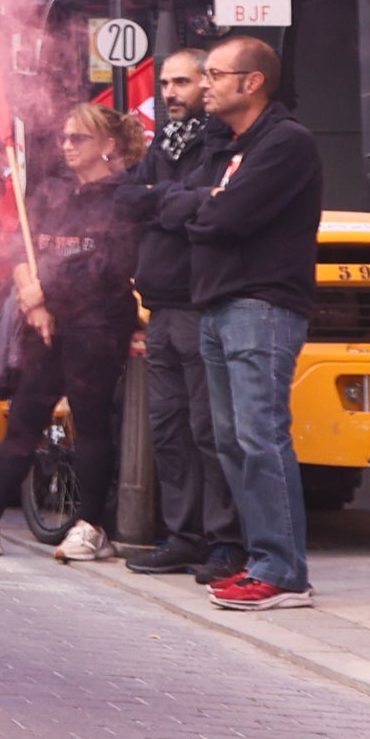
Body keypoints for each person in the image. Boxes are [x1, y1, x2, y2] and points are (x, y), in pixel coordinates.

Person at [147, 34, 327, 614]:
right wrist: (201, 203)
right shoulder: (228, 146)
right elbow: (185, 203)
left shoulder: (285, 143)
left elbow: (224, 217)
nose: (205, 85)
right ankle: (262, 561)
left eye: (216, 75)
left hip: (261, 307)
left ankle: (283, 571)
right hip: (217, 306)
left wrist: (199, 206)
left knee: (260, 436)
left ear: (252, 83)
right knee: (230, 440)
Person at [0, 104, 144, 562]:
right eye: (64, 137)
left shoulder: (126, 197)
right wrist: (30, 298)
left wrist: (44, 296)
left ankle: (91, 525)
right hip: (42, 324)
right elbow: (21, 245)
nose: (66, 146)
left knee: (91, 422)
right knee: (23, 420)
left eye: (78, 138)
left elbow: (109, 267)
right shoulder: (49, 191)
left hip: (96, 325)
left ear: (108, 145)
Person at [118, 44, 247, 581]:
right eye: (165, 83)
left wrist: (162, 198)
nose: (169, 93)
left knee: (209, 429)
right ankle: (182, 535)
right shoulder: (161, 146)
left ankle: (224, 542)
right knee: (169, 428)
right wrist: (173, 198)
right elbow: (127, 199)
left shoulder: (220, 142)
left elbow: (208, 206)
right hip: (162, 307)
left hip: (201, 303)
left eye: (183, 83)